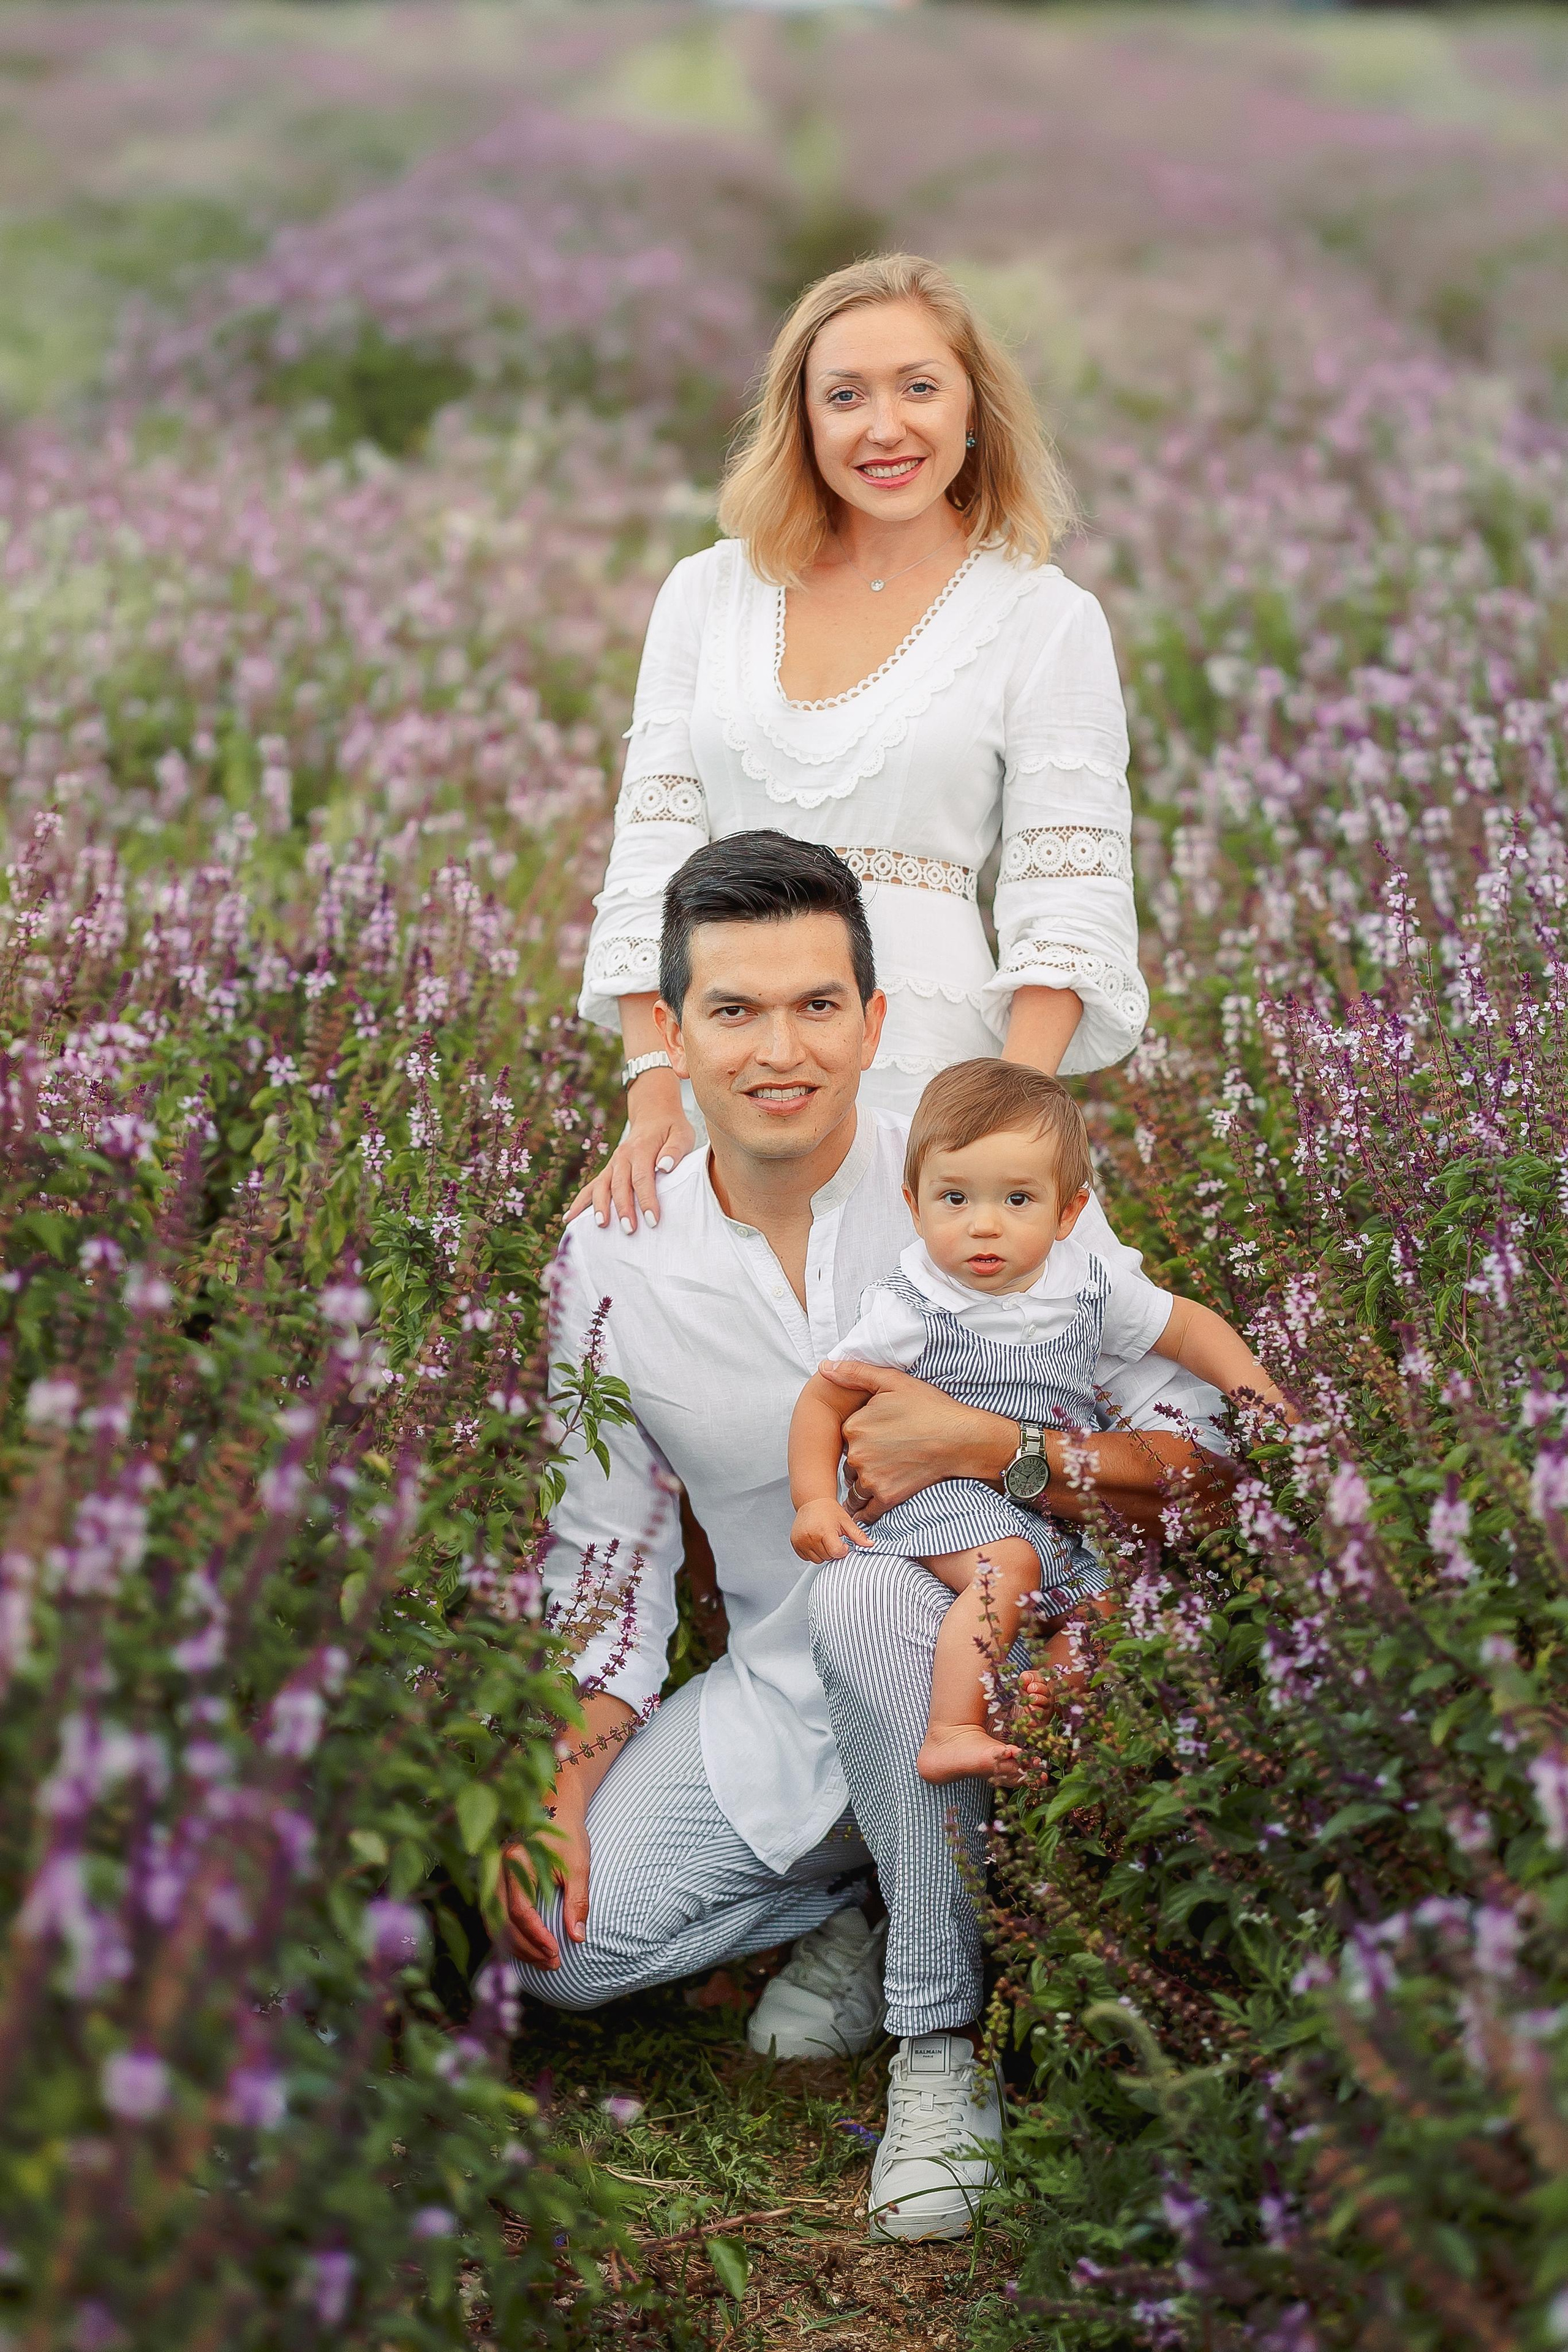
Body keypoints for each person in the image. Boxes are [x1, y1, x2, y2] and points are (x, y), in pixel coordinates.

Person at [503, 833, 1232, 2244]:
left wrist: (997, 1448)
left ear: (874, 1020)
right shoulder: (608, 1258)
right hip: (781, 1701)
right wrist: (559, 1790)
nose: (779, 1051)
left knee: (865, 1600)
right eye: (733, 1009)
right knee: (563, 1953)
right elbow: (607, 1566)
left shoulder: (973, 1185)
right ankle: (874, 1885)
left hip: (1018, 1669)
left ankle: (935, 2044)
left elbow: (1202, 1462)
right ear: (671, 1036)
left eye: (817, 1005)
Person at [572, 250, 1147, 1237]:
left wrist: (1004, 1121)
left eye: (919, 387)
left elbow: (1069, 889)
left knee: (958, 1334)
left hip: (937, 1087)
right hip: (732, 1075)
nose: (885, 427)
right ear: (802, 420)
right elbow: (651, 856)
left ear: (974, 409)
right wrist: (653, 1090)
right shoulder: (708, 593)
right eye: (846, 396)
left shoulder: (1044, 617)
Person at [790, 1059, 1288, 1788]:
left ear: (1066, 1212)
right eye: (954, 1198)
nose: (982, 1224)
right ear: (914, 1205)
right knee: (1010, 1568)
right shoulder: (911, 1305)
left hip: (1043, 1503)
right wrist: (813, 1498)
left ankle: (1042, 1701)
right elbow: (824, 1398)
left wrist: (1264, 1399)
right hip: (944, 1495)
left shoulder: (1083, 1284)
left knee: (1111, 1601)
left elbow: (1185, 1327)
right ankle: (950, 1730)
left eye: (1017, 1199)